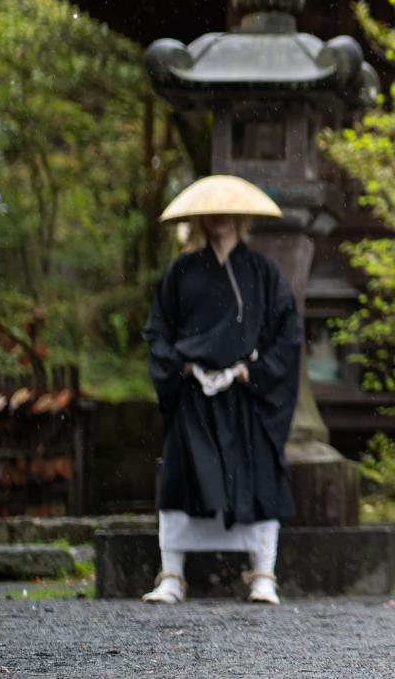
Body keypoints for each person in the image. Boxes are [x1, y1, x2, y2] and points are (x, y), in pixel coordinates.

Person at [141, 175, 303, 605]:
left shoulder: (263, 271)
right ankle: (172, 576)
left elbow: (288, 333)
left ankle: (264, 576)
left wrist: (258, 371)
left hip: (244, 395)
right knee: (180, 480)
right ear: (199, 217)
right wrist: (177, 365)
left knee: (259, 479)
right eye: (211, 211)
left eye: (227, 210)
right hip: (194, 394)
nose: (219, 217)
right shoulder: (181, 270)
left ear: (241, 216)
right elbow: (158, 330)